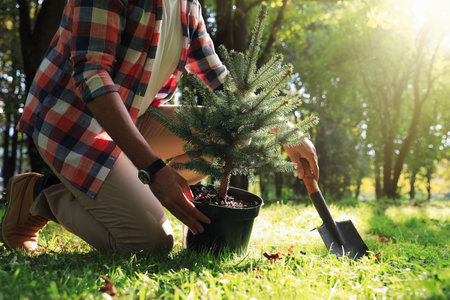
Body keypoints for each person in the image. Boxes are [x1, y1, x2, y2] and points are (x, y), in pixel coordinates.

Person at [1, 0, 319, 253]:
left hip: (133, 119)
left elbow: (220, 80)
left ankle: (140, 195)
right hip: (72, 123)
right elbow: (92, 76)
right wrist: (155, 171)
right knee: (149, 243)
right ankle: (38, 194)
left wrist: (284, 129)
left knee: (234, 131)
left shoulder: (186, 6)